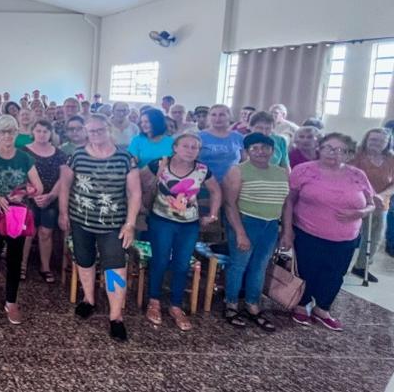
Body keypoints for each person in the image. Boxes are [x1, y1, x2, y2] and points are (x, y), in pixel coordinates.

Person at [282, 133, 378, 331]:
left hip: (347, 237)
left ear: (349, 154)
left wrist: (360, 212)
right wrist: (287, 230)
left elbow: (371, 204)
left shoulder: (357, 175)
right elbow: (289, 201)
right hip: (309, 232)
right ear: (320, 148)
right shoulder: (303, 170)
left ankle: (323, 308)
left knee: (335, 274)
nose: (332, 153)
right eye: (328, 147)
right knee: (308, 270)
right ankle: (301, 304)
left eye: (340, 150)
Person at [59, 114, 140, 342]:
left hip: (114, 225)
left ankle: (116, 316)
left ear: (109, 129)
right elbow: (65, 186)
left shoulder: (126, 158)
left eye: (100, 130)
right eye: (91, 131)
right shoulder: (77, 156)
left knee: (115, 269)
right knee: (84, 262)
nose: (95, 135)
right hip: (81, 221)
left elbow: (135, 193)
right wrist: (64, 213)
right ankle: (89, 299)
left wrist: (130, 224)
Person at [141, 132, 221, 331]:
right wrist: (142, 203)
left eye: (195, 147)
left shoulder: (202, 170)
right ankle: (154, 302)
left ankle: (176, 306)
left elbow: (216, 191)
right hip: (161, 221)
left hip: (189, 224)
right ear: (175, 147)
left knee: (182, 264)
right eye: (185, 146)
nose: (190, 150)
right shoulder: (160, 163)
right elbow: (138, 181)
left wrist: (212, 214)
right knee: (159, 261)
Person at [0, 115, 43, 326]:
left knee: (15, 259)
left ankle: (11, 301)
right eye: (3, 132)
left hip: (16, 216)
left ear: (17, 133)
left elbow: (38, 187)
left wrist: (26, 192)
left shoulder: (24, 158)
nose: (7, 136)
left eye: (12, 132)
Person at [221, 133, 289, 331]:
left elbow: (287, 204)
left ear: (272, 151)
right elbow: (229, 204)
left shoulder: (281, 172)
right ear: (247, 151)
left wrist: (287, 230)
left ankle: (253, 305)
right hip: (246, 222)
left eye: (265, 148)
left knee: (260, 266)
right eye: (255, 148)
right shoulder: (237, 170)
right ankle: (231, 304)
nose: (261, 152)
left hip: (271, 225)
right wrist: (240, 232)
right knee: (239, 265)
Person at [22, 119, 67, 284]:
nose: (42, 134)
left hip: (51, 198)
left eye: (45, 131)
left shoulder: (59, 153)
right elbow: (20, 175)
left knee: (46, 232)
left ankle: (45, 266)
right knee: (28, 232)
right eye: (38, 131)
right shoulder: (23, 151)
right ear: (33, 132)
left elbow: (63, 178)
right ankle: (22, 265)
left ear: (51, 133)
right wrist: (33, 193)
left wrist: (51, 196)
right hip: (28, 198)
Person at [348, 128, 394, 282]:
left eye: (382, 141)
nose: (377, 143)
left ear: (387, 143)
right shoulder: (357, 155)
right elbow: (350, 176)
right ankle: (338, 263)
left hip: (380, 203)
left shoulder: (391, 158)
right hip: (355, 202)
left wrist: (382, 195)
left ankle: (361, 266)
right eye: (373, 139)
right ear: (366, 139)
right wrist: (370, 194)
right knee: (349, 235)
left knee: (374, 238)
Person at [198, 105, 245, 183]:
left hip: (232, 182)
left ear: (229, 117)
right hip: (204, 181)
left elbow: (244, 162)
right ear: (209, 117)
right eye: (214, 115)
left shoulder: (238, 137)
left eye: (222, 115)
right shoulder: (198, 137)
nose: (217, 118)